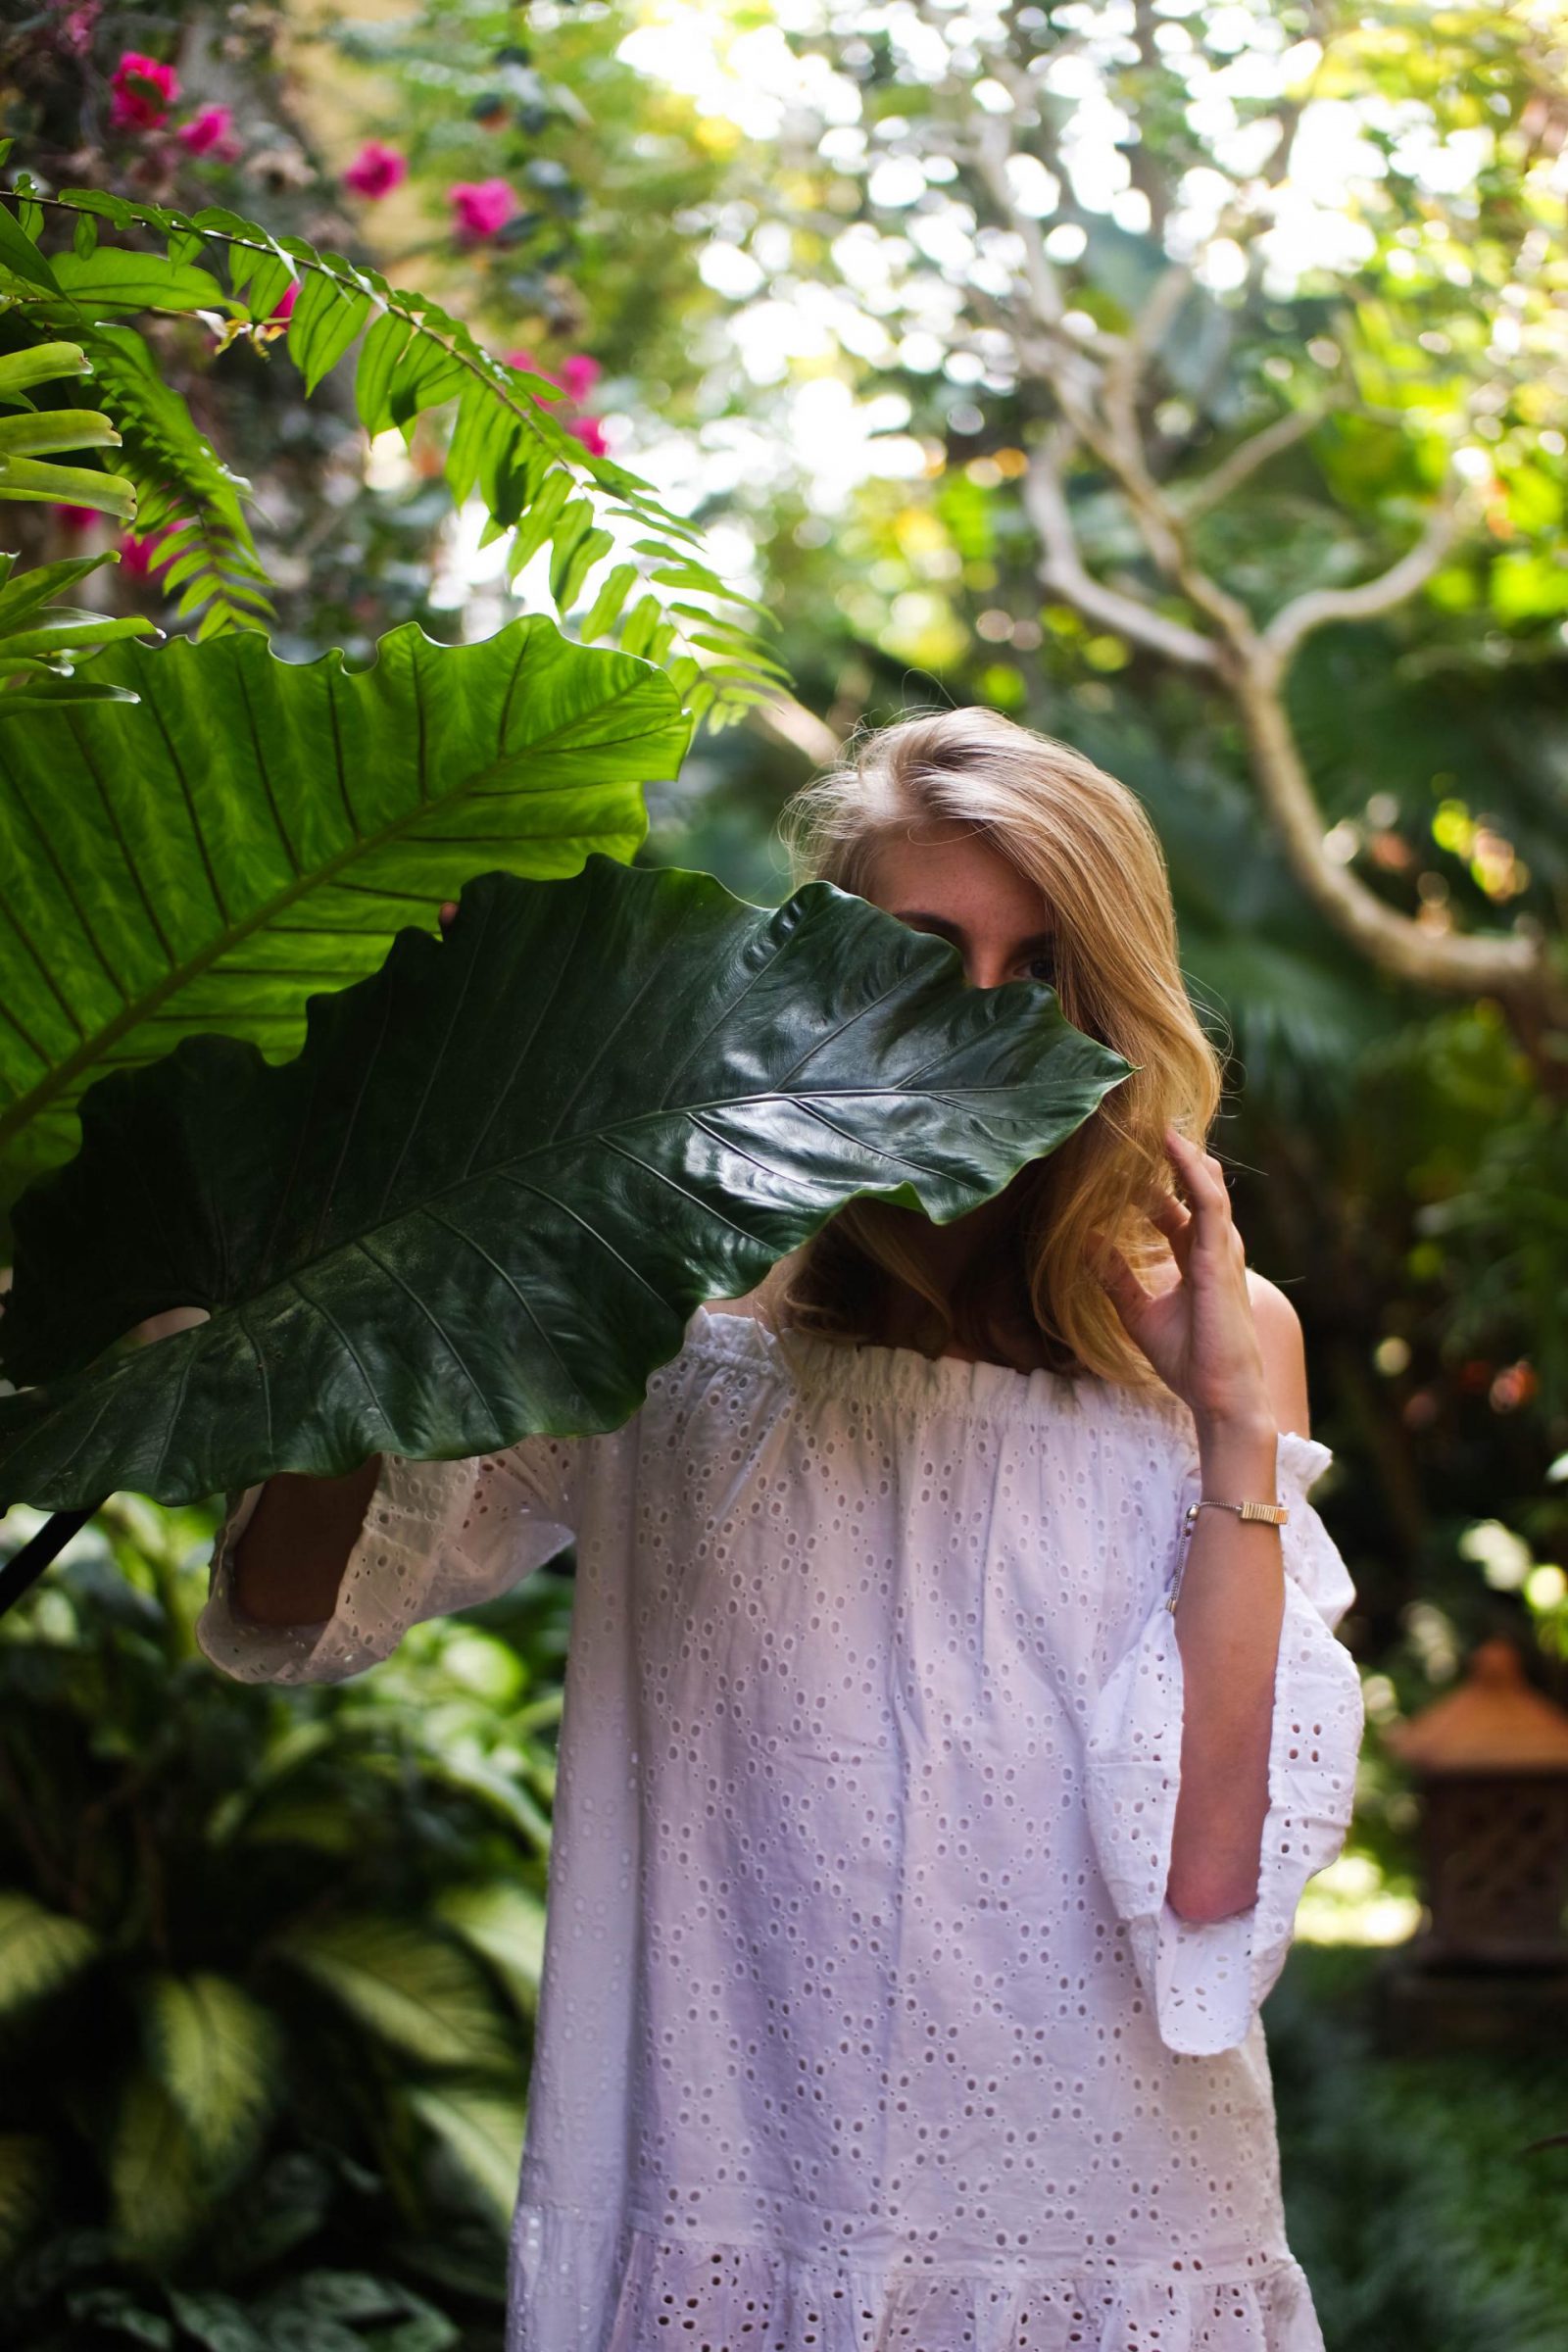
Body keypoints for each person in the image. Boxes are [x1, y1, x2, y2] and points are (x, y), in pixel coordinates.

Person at [197, 707, 1364, 2352]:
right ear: (812, 962)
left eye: (1036, 971)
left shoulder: (1219, 1340)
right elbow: (292, 1600)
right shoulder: (657, 1291)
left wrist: (1232, 1423)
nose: (975, 1016)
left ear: (1107, 999)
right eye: (917, 951)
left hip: (1104, 2221)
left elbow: (1210, 1881)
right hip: (729, 2206)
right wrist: (409, 1222)